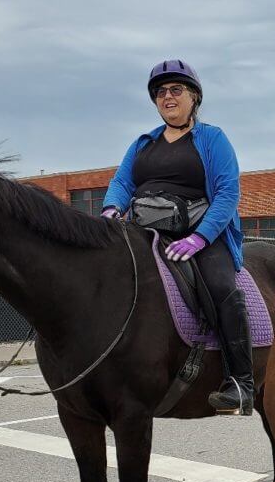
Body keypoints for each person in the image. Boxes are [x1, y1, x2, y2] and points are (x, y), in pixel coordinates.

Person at [100, 59, 254, 415]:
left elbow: (228, 193)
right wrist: (111, 210)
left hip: (199, 233)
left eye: (176, 90)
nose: (168, 97)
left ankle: (241, 382)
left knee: (221, 288)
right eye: (161, 92)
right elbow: (122, 182)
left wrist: (200, 239)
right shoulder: (143, 143)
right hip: (143, 228)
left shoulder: (212, 138)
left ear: (194, 98)